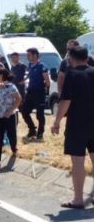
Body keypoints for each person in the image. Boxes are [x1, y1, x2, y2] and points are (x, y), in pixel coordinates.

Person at [51, 46, 94, 209]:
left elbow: (65, 101)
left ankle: (78, 199)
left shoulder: (72, 75)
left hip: (77, 124)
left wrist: (57, 121)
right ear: (87, 57)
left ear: (71, 58)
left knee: (78, 161)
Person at [0, 67, 21, 165]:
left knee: (11, 134)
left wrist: (10, 111)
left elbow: (18, 99)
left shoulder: (10, 86)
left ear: (1, 75)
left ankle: (14, 149)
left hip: (9, 116)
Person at [22, 47, 49, 141]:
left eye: (28, 55)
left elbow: (47, 80)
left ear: (35, 55)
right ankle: (32, 129)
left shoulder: (42, 66)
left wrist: (44, 87)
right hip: (30, 92)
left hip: (39, 92)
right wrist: (24, 81)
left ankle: (40, 133)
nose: (27, 57)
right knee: (24, 111)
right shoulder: (30, 65)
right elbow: (30, 74)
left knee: (40, 114)